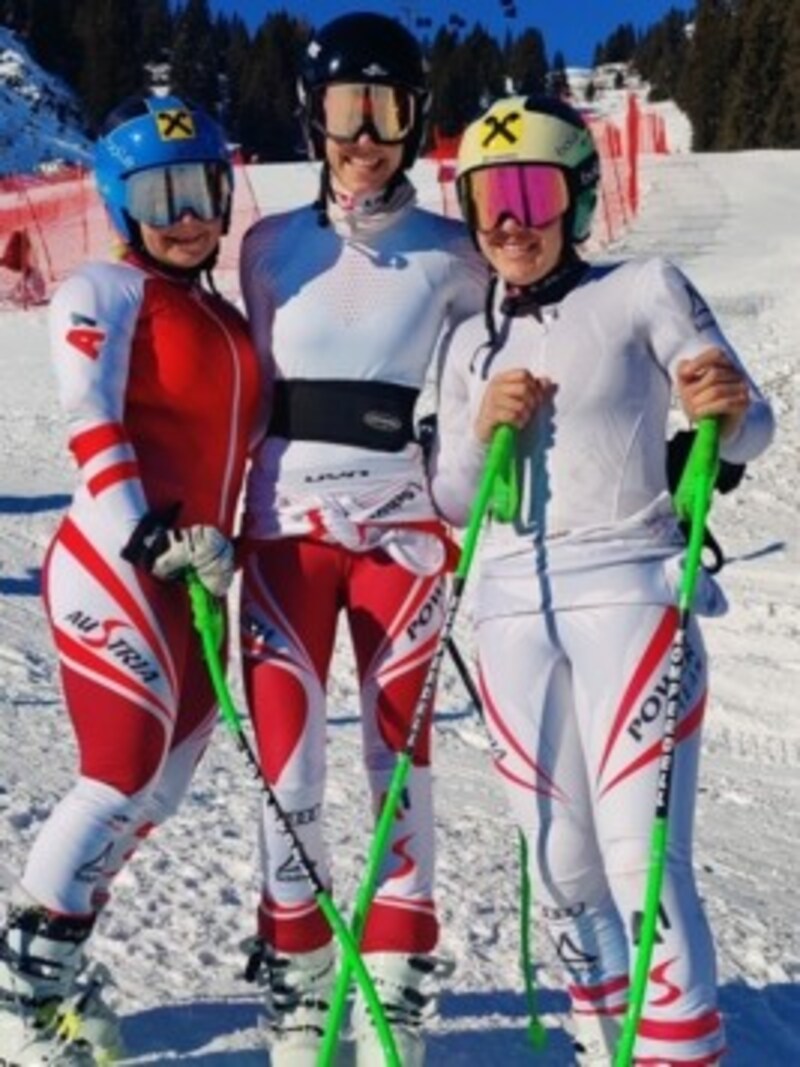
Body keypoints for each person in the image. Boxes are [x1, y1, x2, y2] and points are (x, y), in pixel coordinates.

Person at [429, 95, 775, 1066]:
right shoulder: (468, 342)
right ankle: (601, 1035)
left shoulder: (640, 287)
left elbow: (744, 429)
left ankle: (674, 1051)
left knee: (637, 859)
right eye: (489, 196)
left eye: (532, 192)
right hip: (507, 611)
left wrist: (724, 400)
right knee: (561, 864)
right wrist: (478, 427)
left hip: (628, 594)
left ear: (576, 199)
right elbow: (454, 498)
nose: (509, 219)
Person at [238, 11, 485, 1066]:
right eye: (347, 111)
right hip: (279, 536)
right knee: (286, 772)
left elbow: (492, 379)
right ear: (314, 119)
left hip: (401, 539)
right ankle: (299, 993)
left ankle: (393, 993)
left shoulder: (450, 252)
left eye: (386, 109)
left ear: (415, 116)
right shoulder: (263, 247)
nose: (366, 136)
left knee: (400, 765)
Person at [0, 94, 263, 1064]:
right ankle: (23, 999)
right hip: (118, 567)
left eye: (197, 188)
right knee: (116, 774)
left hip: (194, 577)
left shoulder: (222, 312)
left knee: (160, 792)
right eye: (157, 195)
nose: (183, 213)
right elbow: (90, 420)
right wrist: (145, 534)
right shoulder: (104, 291)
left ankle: (60, 965)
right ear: (119, 204)